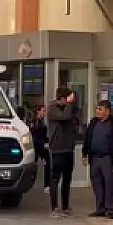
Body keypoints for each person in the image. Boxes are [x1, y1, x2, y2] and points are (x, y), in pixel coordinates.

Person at [83, 100, 113, 219]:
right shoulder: (93, 122)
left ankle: (110, 209)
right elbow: (87, 138)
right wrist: (84, 154)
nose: (97, 111)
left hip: (108, 158)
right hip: (95, 158)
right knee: (97, 184)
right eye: (97, 109)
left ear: (107, 111)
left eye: (100, 109)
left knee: (109, 184)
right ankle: (100, 209)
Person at [46, 87, 79, 216]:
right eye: (69, 98)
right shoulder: (53, 108)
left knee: (67, 178)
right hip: (58, 148)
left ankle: (65, 206)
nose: (71, 101)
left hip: (68, 148)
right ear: (63, 98)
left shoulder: (69, 109)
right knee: (55, 178)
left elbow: (75, 119)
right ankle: (54, 207)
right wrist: (69, 105)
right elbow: (64, 117)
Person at [31, 105, 51, 194]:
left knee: (48, 164)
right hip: (35, 147)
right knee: (32, 166)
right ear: (38, 111)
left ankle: (47, 185)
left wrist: (47, 141)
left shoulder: (42, 122)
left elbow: (43, 135)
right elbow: (33, 136)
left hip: (41, 147)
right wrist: (43, 143)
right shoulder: (34, 122)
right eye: (43, 111)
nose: (44, 113)